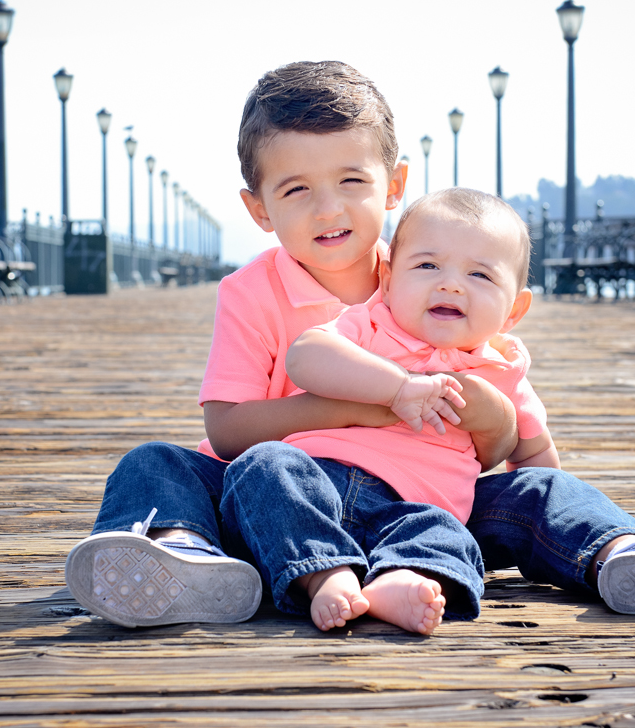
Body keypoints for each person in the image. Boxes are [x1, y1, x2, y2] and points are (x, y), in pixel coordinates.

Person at [65, 60, 635, 630]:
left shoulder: (429, 269)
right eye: (297, 191)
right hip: (281, 489)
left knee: (539, 494)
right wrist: (366, 409)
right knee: (158, 463)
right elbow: (226, 428)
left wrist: (487, 415)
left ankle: (628, 555)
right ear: (258, 209)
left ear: (394, 185)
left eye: (351, 180)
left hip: (423, 501)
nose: (330, 208)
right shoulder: (255, 292)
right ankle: (182, 557)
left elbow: (506, 441)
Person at [220, 188, 558, 634]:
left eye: (480, 275)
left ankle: (398, 580)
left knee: (444, 535)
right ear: (389, 277)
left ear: (514, 309)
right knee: (263, 466)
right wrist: (396, 386)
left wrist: (545, 497)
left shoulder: (501, 371)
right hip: (319, 479)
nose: (450, 284)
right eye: (427, 265)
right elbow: (306, 354)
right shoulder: (371, 324)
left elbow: (536, 463)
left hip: (415, 505)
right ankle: (325, 573)